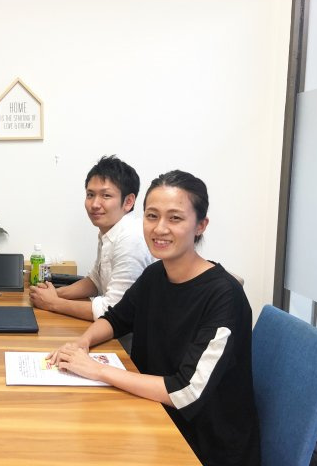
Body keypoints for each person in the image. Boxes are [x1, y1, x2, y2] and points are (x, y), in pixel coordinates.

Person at [47, 170, 260, 465]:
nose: (160, 228)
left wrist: (97, 370)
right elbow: (116, 318)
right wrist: (82, 343)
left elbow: (186, 390)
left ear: (200, 225)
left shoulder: (225, 296)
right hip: (152, 418)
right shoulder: (155, 275)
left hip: (203, 446)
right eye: (152, 216)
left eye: (175, 218)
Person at [29, 155, 153, 325]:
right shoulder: (110, 232)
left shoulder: (131, 239)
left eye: (106, 195)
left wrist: (53, 303)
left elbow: (114, 309)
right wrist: (55, 293)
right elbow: (95, 281)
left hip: (132, 334)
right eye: (90, 195)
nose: (94, 204)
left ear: (128, 201)